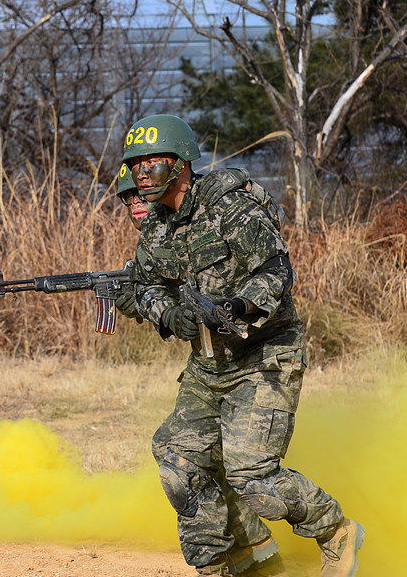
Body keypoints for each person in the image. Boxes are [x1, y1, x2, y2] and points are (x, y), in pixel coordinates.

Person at [122, 114, 364, 577]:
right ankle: (229, 560)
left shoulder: (231, 207)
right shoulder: (155, 226)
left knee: (252, 477)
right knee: (178, 460)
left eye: (152, 162)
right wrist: (168, 315)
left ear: (180, 163)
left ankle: (336, 531)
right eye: (136, 165)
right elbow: (145, 284)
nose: (142, 173)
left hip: (266, 356)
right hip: (209, 367)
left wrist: (233, 308)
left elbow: (276, 274)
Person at [113, 163, 286, 576]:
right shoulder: (156, 237)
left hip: (253, 349)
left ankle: (259, 546)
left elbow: (242, 278)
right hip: (210, 361)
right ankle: (251, 550)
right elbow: (159, 293)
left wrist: (159, 304)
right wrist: (148, 305)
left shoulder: (201, 218)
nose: (136, 203)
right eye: (128, 199)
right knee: (179, 455)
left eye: (140, 196)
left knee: (240, 468)